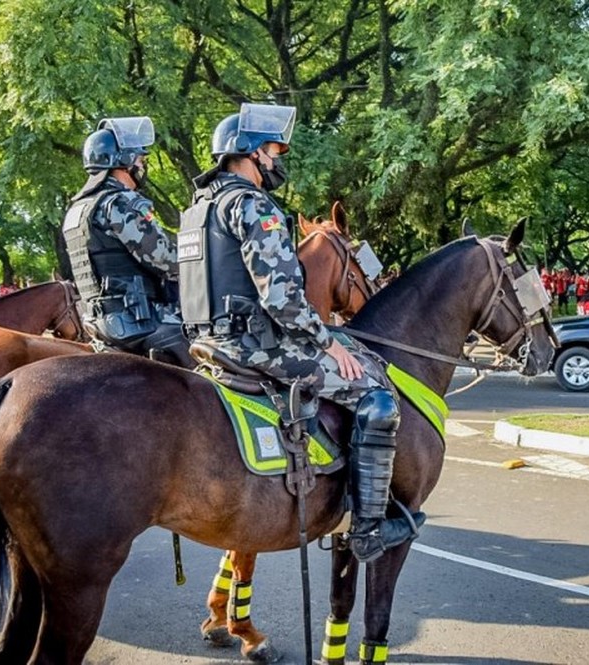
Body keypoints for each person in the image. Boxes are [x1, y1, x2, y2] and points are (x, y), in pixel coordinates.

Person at [178, 103, 424, 563]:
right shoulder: (251, 205)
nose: (277, 160)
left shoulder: (196, 212)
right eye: (272, 150)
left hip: (208, 342)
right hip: (257, 348)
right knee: (376, 396)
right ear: (249, 153)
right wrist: (327, 340)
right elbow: (283, 300)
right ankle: (369, 527)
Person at [62, 116, 192, 367]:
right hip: (142, 320)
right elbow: (168, 261)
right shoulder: (121, 203)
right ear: (124, 162)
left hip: (99, 323)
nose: (143, 166)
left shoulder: (77, 209)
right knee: (213, 353)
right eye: (141, 160)